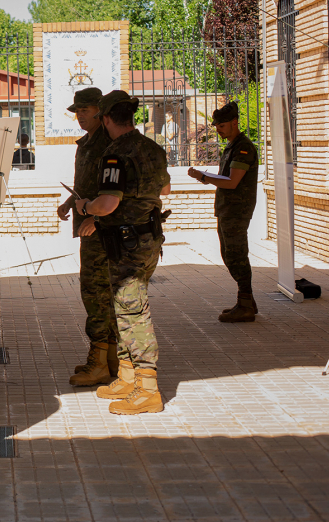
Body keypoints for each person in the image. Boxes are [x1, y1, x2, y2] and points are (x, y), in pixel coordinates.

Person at [73, 90, 170, 416]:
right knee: (124, 309)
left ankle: (148, 390)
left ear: (106, 118)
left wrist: (85, 206)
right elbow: (166, 188)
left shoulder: (115, 154)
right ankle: (128, 378)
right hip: (148, 240)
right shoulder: (152, 149)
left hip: (126, 245)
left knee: (132, 315)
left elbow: (108, 203)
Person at [57, 87, 118, 387]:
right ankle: (109, 359)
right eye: (77, 111)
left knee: (97, 293)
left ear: (100, 111)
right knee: (99, 292)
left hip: (102, 227)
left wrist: (95, 217)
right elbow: (87, 183)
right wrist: (70, 203)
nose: (80, 116)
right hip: (90, 224)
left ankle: (101, 361)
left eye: (85, 110)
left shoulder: (109, 143)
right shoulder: (88, 143)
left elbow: (112, 189)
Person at [187, 101, 260, 322]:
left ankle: (246, 304)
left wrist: (202, 177)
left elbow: (232, 181)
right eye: (216, 125)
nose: (218, 129)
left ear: (235, 123)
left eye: (222, 125)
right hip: (228, 209)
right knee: (229, 255)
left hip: (237, 210)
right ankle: (246, 300)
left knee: (236, 255)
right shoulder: (232, 145)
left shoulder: (243, 147)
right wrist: (204, 175)